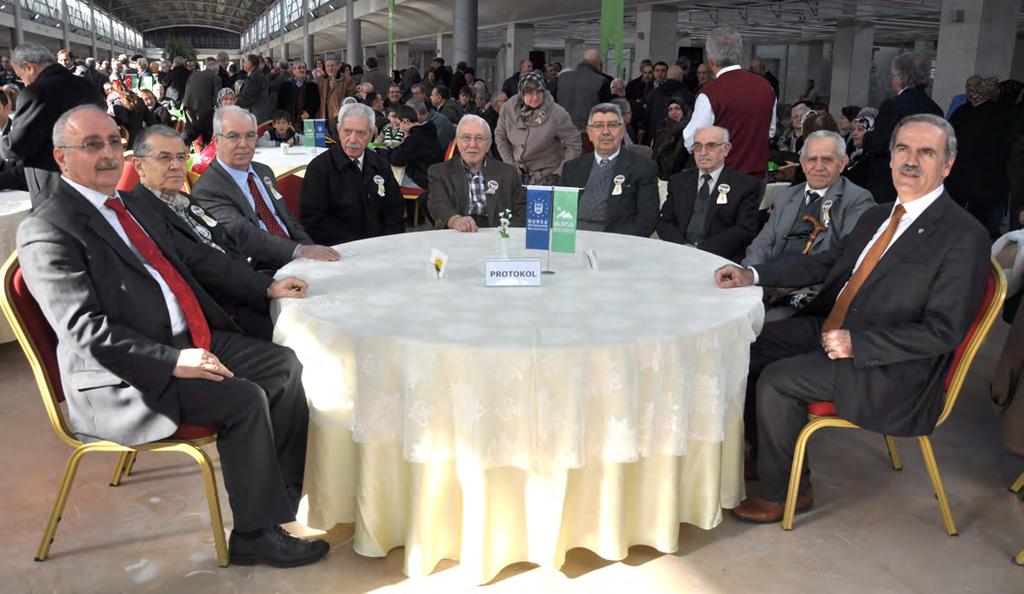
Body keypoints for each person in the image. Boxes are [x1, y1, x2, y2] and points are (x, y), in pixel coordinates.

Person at [18, 105, 329, 567]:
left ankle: (282, 491)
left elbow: (196, 261)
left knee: (283, 363)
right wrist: (173, 360)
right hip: (129, 377)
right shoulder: (47, 229)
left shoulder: (124, 206)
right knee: (243, 400)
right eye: (91, 145)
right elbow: (84, 330)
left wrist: (265, 286)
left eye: (113, 143)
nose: (107, 154)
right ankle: (254, 534)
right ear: (61, 158)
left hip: (187, 337)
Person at [715, 114, 989, 523]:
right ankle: (771, 454)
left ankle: (785, 491)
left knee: (778, 380)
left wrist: (857, 344)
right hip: (834, 329)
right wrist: (752, 274)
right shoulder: (879, 215)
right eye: (903, 149)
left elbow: (944, 331)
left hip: (890, 366)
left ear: (947, 165)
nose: (910, 161)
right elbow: (826, 263)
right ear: (891, 157)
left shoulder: (963, 236)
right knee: (749, 348)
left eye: (926, 152)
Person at [126, 125, 274, 340]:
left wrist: (254, 280)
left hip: (243, 287)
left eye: (181, 157)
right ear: (139, 166)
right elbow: (200, 265)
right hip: (217, 314)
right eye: (165, 158)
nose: (176, 166)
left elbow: (225, 241)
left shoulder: (185, 199)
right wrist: (262, 288)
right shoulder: (140, 211)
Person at [745, 129, 875, 328]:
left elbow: (845, 260)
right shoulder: (787, 196)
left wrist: (787, 284)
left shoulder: (857, 200)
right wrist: (752, 276)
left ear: (843, 162)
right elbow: (764, 242)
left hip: (808, 293)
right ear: (803, 164)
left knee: (756, 328)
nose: (818, 167)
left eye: (828, 160)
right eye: (812, 159)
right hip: (767, 281)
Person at [191, 106, 339, 270]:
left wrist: (312, 254)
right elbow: (243, 234)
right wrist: (299, 251)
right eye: (233, 136)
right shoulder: (208, 188)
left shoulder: (263, 171)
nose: (243, 144)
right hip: (260, 268)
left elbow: (287, 220)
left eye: (250, 136)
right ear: (217, 141)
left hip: (297, 258)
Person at [0, 42, 103, 206]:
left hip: (54, 188)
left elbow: (17, 146)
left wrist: (4, 143)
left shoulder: (35, 93)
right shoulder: (86, 86)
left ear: (29, 67)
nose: (23, 82)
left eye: (21, 75)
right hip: (91, 178)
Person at [299, 103, 404, 246]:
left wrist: (385, 243)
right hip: (338, 251)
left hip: (380, 248)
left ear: (372, 133)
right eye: (347, 131)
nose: (353, 139)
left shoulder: (380, 165)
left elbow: (395, 211)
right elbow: (313, 221)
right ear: (338, 129)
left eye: (360, 133)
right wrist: (354, 247)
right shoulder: (320, 168)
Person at [684, 26, 777, 179]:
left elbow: (691, 140)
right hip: (758, 177)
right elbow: (770, 131)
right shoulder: (766, 87)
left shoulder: (710, 93)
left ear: (710, 59)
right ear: (739, 54)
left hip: (723, 178)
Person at [658, 125, 759, 261]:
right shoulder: (678, 181)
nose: (703, 152)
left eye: (710, 146)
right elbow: (665, 221)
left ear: (726, 149)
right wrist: (683, 247)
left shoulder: (744, 185)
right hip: (678, 254)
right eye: (698, 146)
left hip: (720, 259)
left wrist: (700, 251)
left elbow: (744, 229)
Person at [561, 103, 658, 237]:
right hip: (574, 241)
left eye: (612, 125)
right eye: (599, 126)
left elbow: (647, 219)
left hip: (617, 244)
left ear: (622, 131)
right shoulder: (571, 168)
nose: (605, 132)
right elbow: (560, 214)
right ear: (589, 133)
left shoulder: (643, 168)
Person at [859, 52, 943, 204]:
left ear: (898, 77)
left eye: (891, 75)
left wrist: (866, 137)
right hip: (922, 179)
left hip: (890, 181)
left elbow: (879, 144)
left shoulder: (893, 106)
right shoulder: (935, 108)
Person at [428, 115, 526, 231]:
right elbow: (438, 203)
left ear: (488, 143)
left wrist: (504, 234)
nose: (472, 144)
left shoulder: (508, 172)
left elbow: (522, 209)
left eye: (479, 138)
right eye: (466, 138)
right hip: (458, 236)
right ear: (458, 142)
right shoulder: (439, 172)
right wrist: (455, 220)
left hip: (498, 236)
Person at [946, 77, 1011, 237]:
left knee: (953, 219)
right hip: (988, 180)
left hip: (958, 175)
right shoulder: (1001, 116)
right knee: (982, 224)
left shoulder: (961, 112)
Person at [495, 72, 581, 185]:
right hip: (517, 175)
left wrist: (560, 172)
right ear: (521, 93)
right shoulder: (507, 109)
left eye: (539, 92)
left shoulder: (557, 113)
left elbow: (574, 143)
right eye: (530, 93)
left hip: (548, 177)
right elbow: (501, 137)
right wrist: (510, 164)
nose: (535, 97)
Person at [388, 103, 444, 190]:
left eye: (399, 124)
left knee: (387, 182)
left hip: (423, 179)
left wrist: (385, 151)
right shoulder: (426, 131)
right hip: (431, 175)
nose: (400, 128)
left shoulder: (416, 137)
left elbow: (396, 159)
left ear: (405, 121)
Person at [557, 48, 613, 130]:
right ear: (598, 63)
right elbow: (607, 110)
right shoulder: (601, 81)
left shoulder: (563, 77)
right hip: (589, 131)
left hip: (563, 129)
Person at [646, 64, 693, 143]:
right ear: (681, 76)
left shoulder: (655, 92)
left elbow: (648, 114)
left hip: (657, 136)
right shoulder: (686, 93)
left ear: (667, 76)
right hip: (678, 137)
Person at [182, 58, 221, 143]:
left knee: (189, 135)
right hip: (205, 111)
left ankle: (182, 149)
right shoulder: (215, 78)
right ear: (215, 70)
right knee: (207, 137)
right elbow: (218, 97)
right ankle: (205, 153)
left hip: (188, 109)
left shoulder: (193, 75)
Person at [651, 98, 689, 180]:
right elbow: (656, 154)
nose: (673, 112)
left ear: (684, 111)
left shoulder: (690, 130)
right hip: (663, 174)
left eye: (677, 109)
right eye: (670, 110)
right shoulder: (662, 129)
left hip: (685, 174)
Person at [276, 61, 320, 128]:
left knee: (308, 138)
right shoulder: (285, 85)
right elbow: (280, 103)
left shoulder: (312, 85)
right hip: (289, 120)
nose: (302, 70)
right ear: (293, 70)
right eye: (299, 68)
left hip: (307, 120)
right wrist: (283, 117)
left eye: (304, 68)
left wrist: (309, 113)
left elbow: (317, 102)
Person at [236, 54, 273, 123]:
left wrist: (235, 101)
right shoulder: (253, 75)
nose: (243, 64)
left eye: (244, 62)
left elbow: (251, 98)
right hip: (255, 113)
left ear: (250, 64)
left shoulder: (256, 77)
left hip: (257, 114)